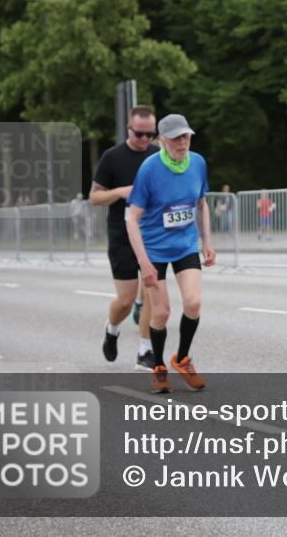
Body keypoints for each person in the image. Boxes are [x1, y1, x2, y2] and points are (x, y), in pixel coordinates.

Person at [126, 114, 215, 394]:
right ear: (162, 140)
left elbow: (201, 204)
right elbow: (131, 217)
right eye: (176, 137)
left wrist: (207, 242)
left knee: (194, 303)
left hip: (185, 245)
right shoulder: (149, 170)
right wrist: (143, 262)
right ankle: (159, 367)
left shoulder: (198, 163)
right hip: (154, 249)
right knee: (162, 312)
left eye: (186, 136)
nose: (182, 142)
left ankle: (183, 358)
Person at [91, 105, 158, 371]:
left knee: (152, 292)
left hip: (152, 234)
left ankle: (145, 350)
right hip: (122, 235)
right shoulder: (112, 157)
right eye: (139, 134)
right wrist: (120, 192)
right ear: (129, 129)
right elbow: (95, 197)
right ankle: (112, 328)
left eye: (149, 134)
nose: (144, 140)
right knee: (126, 300)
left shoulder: (158, 155)